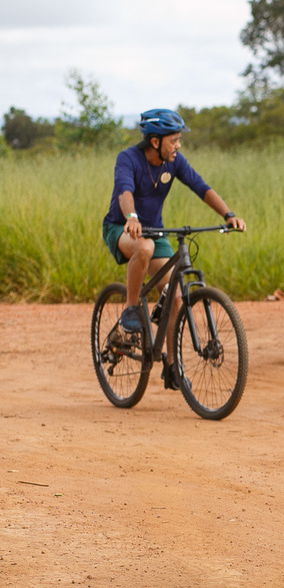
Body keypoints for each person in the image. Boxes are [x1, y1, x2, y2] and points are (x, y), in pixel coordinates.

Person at [102, 108, 245, 390]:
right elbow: (124, 191)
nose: (178, 145)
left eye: (179, 139)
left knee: (175, 297)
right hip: (122, 228)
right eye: (174, 140)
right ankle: (131, 310)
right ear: (155, 141)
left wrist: (228, 214)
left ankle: (172, 366)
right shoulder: (128, 158)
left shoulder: (174, 162)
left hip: (156, 231)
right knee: (144, 248)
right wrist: (131, 217)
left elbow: (200, 187)